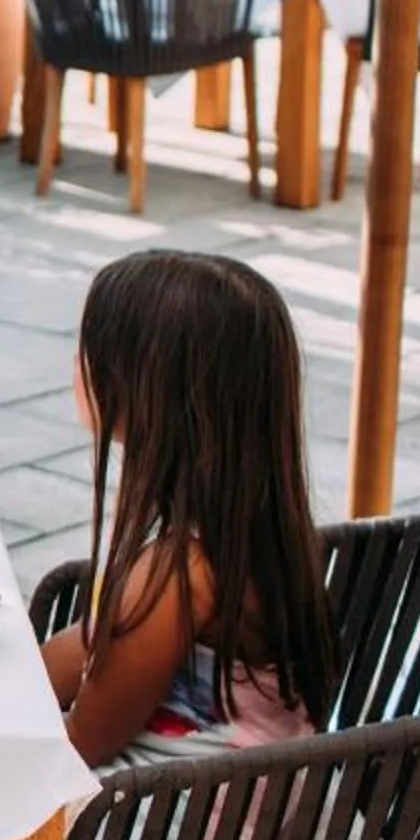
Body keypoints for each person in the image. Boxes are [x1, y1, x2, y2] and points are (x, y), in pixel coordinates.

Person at [47, 250, 335, 770]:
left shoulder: (177, 575)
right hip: (234, 814)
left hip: (173, 835)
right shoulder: (250, 532)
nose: (77, 363)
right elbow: (82, 647)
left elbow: (79, 743)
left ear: (145, 390)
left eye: (89, 348)